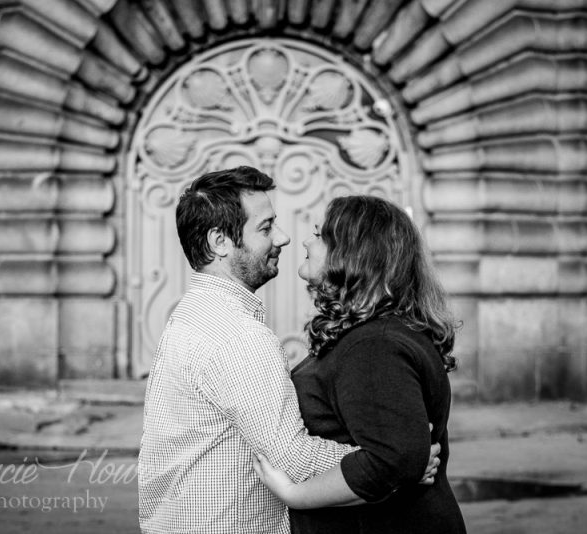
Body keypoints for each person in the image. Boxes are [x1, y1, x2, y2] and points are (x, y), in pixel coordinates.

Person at [138, 167, 441, 534]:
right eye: (265, 228)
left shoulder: (189, 315)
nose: (282, 238)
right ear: (219, 241)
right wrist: (401, 463)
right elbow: (292, 458)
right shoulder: (237, 335)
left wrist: (393, 459)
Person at [253, 195, 467, 533]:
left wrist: (295, 495)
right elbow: (399, 455)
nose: (306, 240)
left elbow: (392, 461)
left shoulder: (373, 345)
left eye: (320, 234)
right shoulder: (372, 335)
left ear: (354, 254)